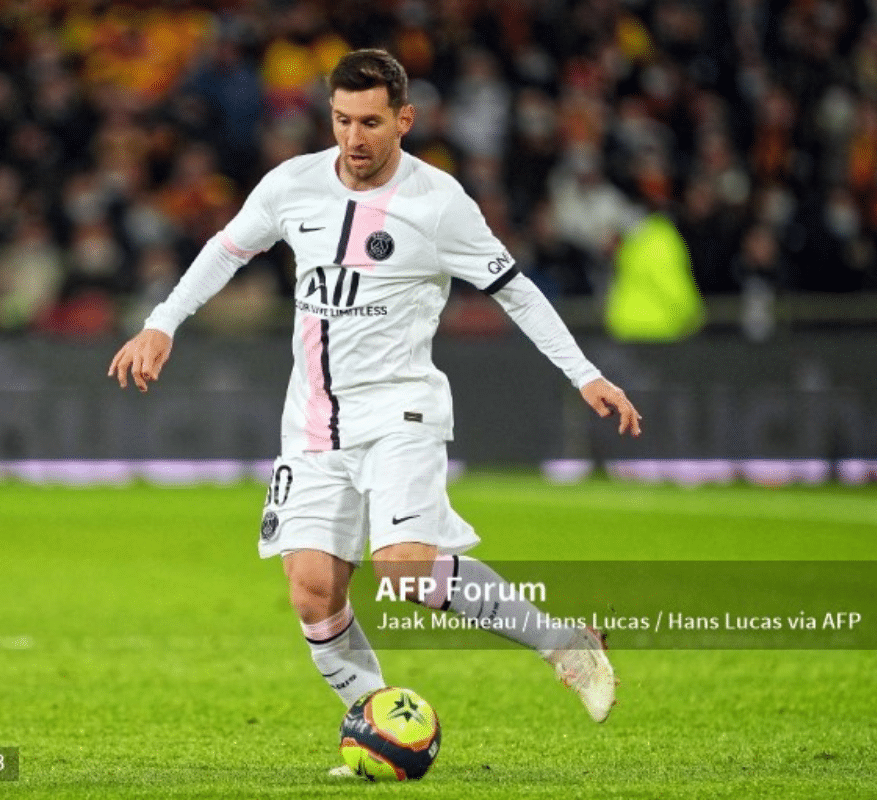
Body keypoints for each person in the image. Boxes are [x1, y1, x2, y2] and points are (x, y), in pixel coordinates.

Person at [109, 49, 642, 775]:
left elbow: (514, 288)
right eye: (340, 120)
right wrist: (162, 322)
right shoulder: (293, 184)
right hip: (312, 423)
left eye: (369, 122)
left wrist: (585, 374)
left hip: (401, 411)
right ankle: (381, 727)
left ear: (404, 119)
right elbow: (225, 249)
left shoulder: (439, 202)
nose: (353, 138)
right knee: (311, 593)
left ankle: (565, 646)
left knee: (405, 573)